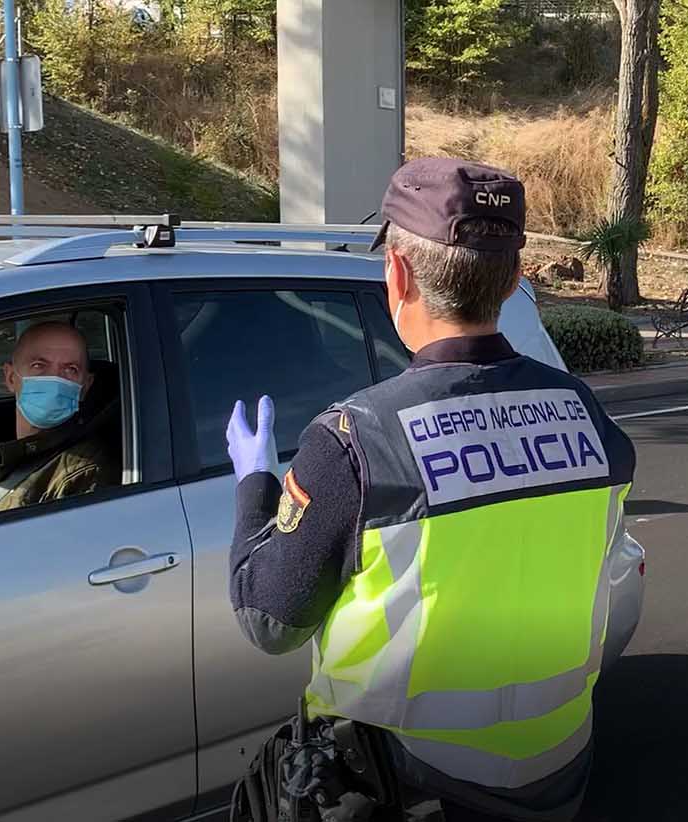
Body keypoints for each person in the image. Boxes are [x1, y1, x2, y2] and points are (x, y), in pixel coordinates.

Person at [224, 158, 636, 821]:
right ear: (515, 280)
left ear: (398, 273)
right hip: (555, 767)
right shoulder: (585, 414)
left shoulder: (356, 438)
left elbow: (270, 620)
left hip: (407, 784)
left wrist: (253, 486)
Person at [0, 321, 106, 524]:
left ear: (85, 387)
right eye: (39, 365)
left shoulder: (84, 471)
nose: (54, 379)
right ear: (10, 378)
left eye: (70, 369)